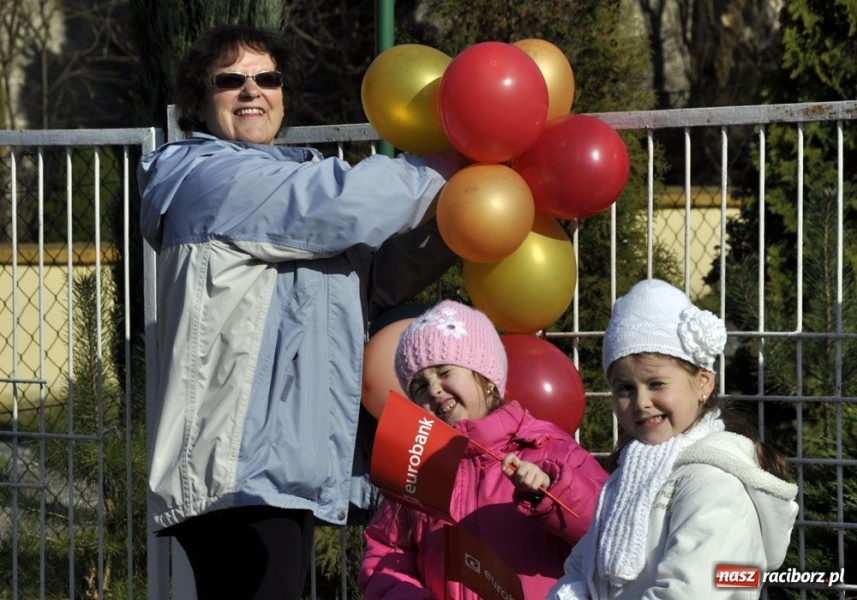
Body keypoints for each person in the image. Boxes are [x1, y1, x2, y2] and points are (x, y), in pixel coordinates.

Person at [138, 24, 466, 600]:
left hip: (277, 466)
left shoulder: (289, 196)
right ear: (199, 99)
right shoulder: (208, 179)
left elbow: (379, 276)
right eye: (230, 80)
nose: (251, 91)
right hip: (231, 474)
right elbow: (336, 203)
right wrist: (454, 162)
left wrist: (457, 220)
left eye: (267, 78)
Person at [548, 279, 799, 599]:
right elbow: (583, 569)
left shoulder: (715, 484)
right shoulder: (631, 475)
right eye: (625, 388)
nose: (641, 401)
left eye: (656, 384)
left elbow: (690, 592)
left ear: (703, 383)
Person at [358, 300, 609, 599]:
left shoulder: (548, 449)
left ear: (487, 378)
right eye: (419, 387)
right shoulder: (417, 466)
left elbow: (607, 529)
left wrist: (553, 492)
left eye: (444, 371)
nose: (434, 389)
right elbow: (386, 552)